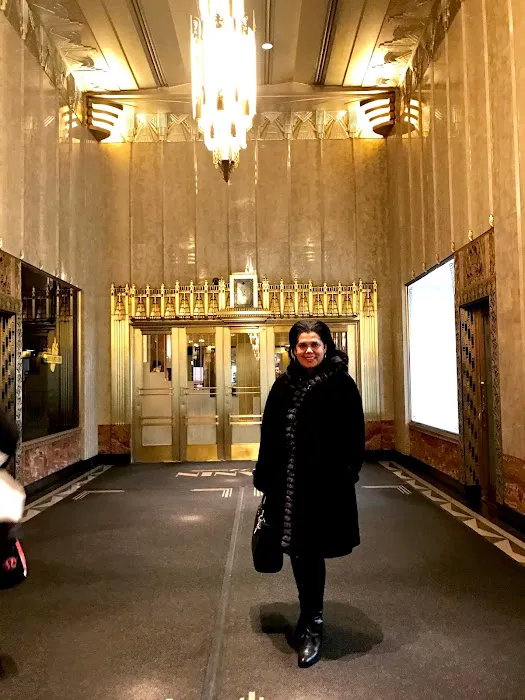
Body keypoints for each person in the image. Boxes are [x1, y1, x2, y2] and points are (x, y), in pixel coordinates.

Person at [253, 320, 365, 668]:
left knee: (311, 551)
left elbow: (355, 434)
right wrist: (265, 476)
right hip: (287, 488)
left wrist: (346, 473)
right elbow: (269, 434)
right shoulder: (283, 385)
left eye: (315, 344)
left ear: (326, 346)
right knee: (299, 552)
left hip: (324, 488)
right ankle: (308, 615)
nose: (309, 351)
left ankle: (313, 623)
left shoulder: (341, 384)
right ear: (293, 349)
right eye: (302, 345)